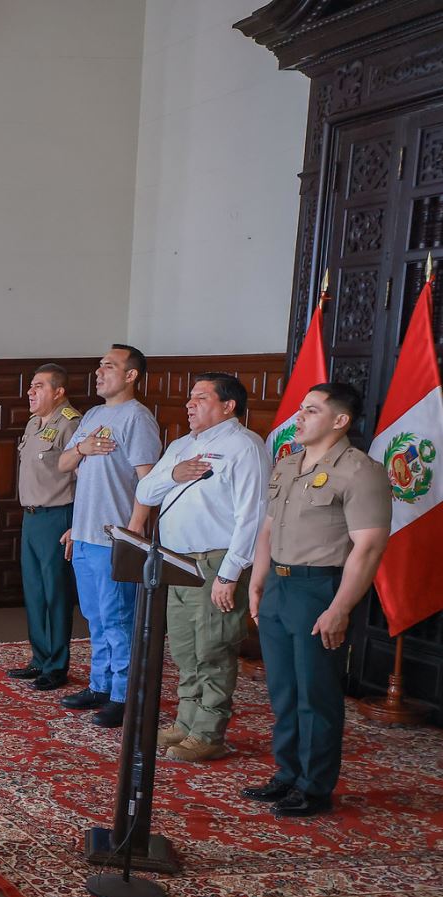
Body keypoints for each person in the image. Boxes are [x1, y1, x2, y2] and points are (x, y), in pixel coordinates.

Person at [246, 382, 392, 818]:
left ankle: (314, 787)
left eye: (310, 410)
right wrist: (257, 581)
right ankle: (287, 774)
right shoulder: (289, 464)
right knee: (284, 692)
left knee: (317, 694)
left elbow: (367, 548)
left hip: (320, 588)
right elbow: (268, 528)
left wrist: (340, 608)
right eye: (300, 409)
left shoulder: (360, 471)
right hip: (279, 585)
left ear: (340, 420)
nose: (299, 417)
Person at [134, 373, 270, 763]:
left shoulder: (245, 447)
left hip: (216, 561)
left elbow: (253, 516)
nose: (189, 405)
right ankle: (186, 721)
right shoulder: (181, 445)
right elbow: (145, 492)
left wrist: (229, 574)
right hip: (176, 561)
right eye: (189, 398)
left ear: (228, 406)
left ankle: (209, 733)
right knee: (183, 647)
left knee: (213, 646)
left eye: (200, 398)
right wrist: (173, 475)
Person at [57, 344, 162, 727]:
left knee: (119, 619)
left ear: (131, 375)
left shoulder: (138, 418)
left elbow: (147, 482)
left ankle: (124, 695)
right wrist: (82, 447)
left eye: (109, 366)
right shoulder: (94, 415)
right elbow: (64, 463)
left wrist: (133, 533)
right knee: (95, 617)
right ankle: (100, 685)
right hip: (85, 535)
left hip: (114, 538)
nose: (99, 372)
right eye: (98, 365)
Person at [9, 364, 81, 691]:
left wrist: (78, 523)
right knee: (35, 592)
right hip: (32, 517)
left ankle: (56, 665)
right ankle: (39, 658)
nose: (30, 392)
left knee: (56, 593)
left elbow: (84, 478)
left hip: (57, 517)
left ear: (58, 391)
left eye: (38, 386)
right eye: (30, 386)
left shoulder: (70, 424)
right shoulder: (35, 422)